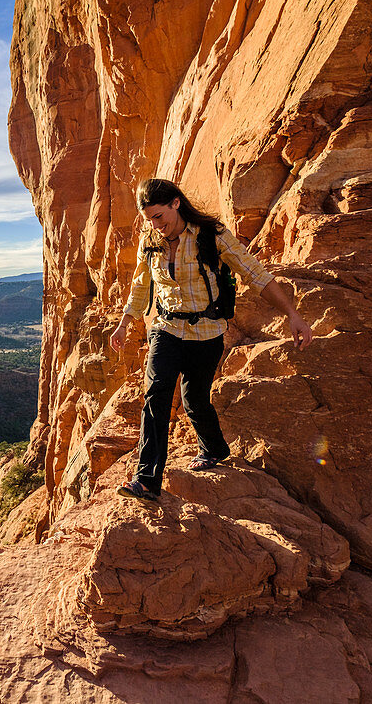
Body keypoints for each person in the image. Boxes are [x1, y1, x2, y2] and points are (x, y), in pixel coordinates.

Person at [109, 178, 313, 501]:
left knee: (194, 400)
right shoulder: (150, 240)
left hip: (206, 333)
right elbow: (139, 284)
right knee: (156, 394)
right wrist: (124, 324)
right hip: (166, 328)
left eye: (159, 216)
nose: (155, 224)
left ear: (176, 203)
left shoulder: (210, 235)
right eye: (149, 218)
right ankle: (147, 479)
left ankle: (214, 449)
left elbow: (254, 272)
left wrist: (292, 314)